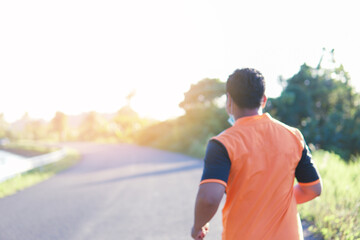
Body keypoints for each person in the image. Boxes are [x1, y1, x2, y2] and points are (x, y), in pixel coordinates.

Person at [191, 68, 322, 240]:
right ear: (264, 99)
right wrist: (276, 201)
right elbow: (313, 189)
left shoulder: (222, 144)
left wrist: (198, 226)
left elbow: (209, 198)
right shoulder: (293, 136)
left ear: (229, 101)